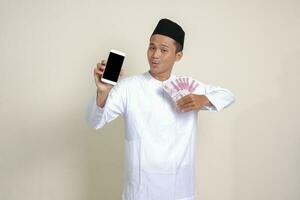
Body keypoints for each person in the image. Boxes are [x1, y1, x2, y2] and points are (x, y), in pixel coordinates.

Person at [87, 18, 235, 200]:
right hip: (139, 190)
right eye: (151, 47)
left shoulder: (190, 88)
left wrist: (203, 99)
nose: (155, 55)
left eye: (163, 50)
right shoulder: (128, 87)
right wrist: (103, 92)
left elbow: (227, 95)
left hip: (179, 189)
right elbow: (95, 121)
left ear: (178, 56)